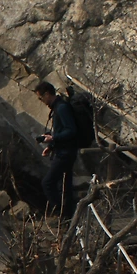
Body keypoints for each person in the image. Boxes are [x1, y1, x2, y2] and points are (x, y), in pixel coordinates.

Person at [36, 80, 78, 216]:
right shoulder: (58, 107)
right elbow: (62, 131)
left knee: (48, 183)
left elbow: (71, 130)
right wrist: (51, 146)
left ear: (47, 94)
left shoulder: (61, 108)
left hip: (65, 153)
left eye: (41, 98)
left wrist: (53, 138)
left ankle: (61, 214)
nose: (42, 101)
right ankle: (68, 217)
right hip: (63, 151)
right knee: (65, 187)